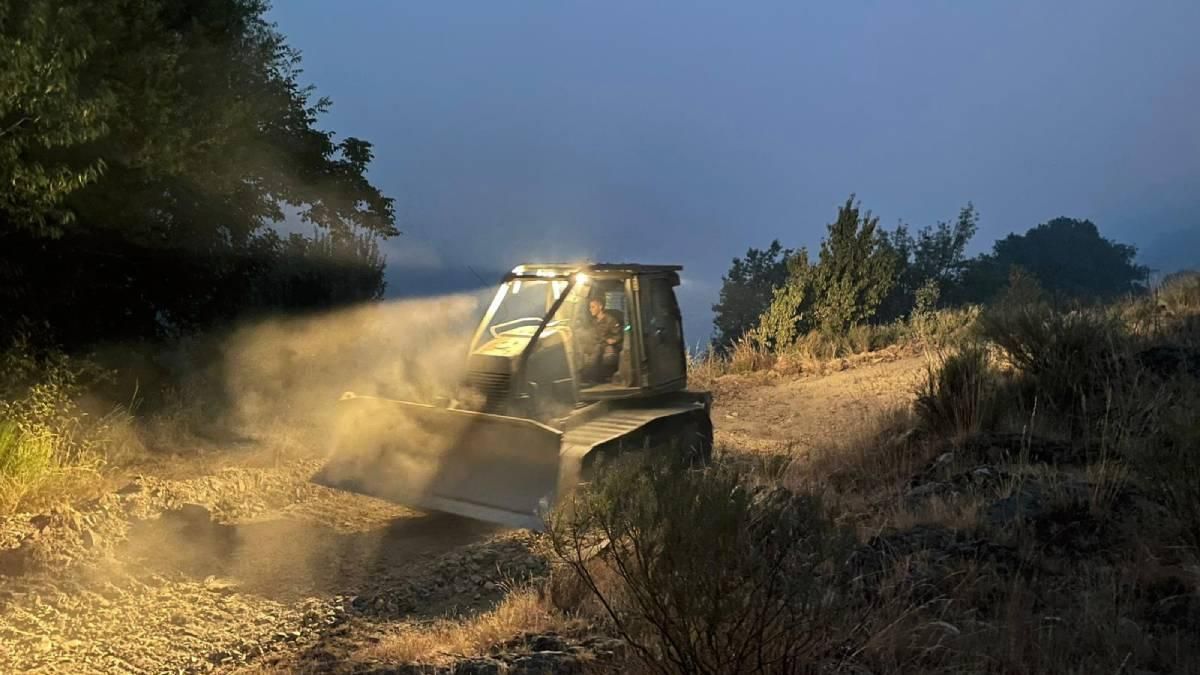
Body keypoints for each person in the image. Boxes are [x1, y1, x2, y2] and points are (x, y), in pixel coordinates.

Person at [580, 297, 623, 384]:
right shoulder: (593, 322)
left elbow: (618, 335)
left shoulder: (610, 320)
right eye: (590, 307)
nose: (590, 309)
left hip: (605, 345)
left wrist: (613, 340)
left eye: (593, 307)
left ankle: (587, 375)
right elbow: (590, 335)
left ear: (600, 307)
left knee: (598, 348)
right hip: (596, 344)